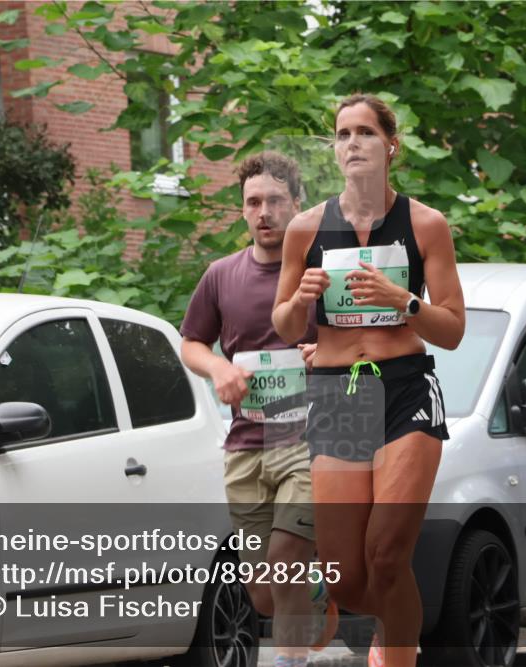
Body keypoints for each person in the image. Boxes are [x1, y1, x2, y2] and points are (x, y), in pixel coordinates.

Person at [272, 95, 466, 667]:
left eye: (364, 132)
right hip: (338, 397)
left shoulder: (425, 224)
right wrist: (301, 299)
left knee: (386, 556)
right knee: (345, 574)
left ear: (390, 146)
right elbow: (284, 327)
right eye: (342, 134)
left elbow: (452, 330)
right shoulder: (305, 229)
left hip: (404, 388)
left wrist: (402, 300)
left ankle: (397, 654)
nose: (352, 143)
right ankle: (384, 622)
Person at [180, 151, 337, 667]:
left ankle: (292, 660)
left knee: (284, 556)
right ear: (242, 210)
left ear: (297, 204)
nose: (264, 211)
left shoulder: (323, 272)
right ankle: (316, 592)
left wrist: (326, 352)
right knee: (262, 591)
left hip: (312, 440)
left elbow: (370, 341)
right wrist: (219, 371)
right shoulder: (222, 275)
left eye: (274, 200)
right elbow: (191, 343)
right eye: (253, 202)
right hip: (247, 444)